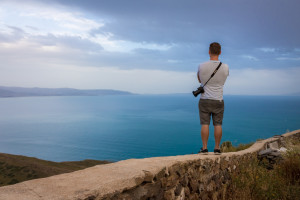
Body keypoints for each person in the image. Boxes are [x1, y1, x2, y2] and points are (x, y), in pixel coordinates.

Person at [197, 42, 229, 154]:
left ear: (209, 52)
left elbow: (199, 80)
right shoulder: (225, 67)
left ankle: (204, 148)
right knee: (218, 124)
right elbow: (224, 79)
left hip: (205, 99)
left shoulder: (201, 66)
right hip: (218, 100)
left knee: (205, 124)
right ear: (220, 52)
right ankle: (217, 148)